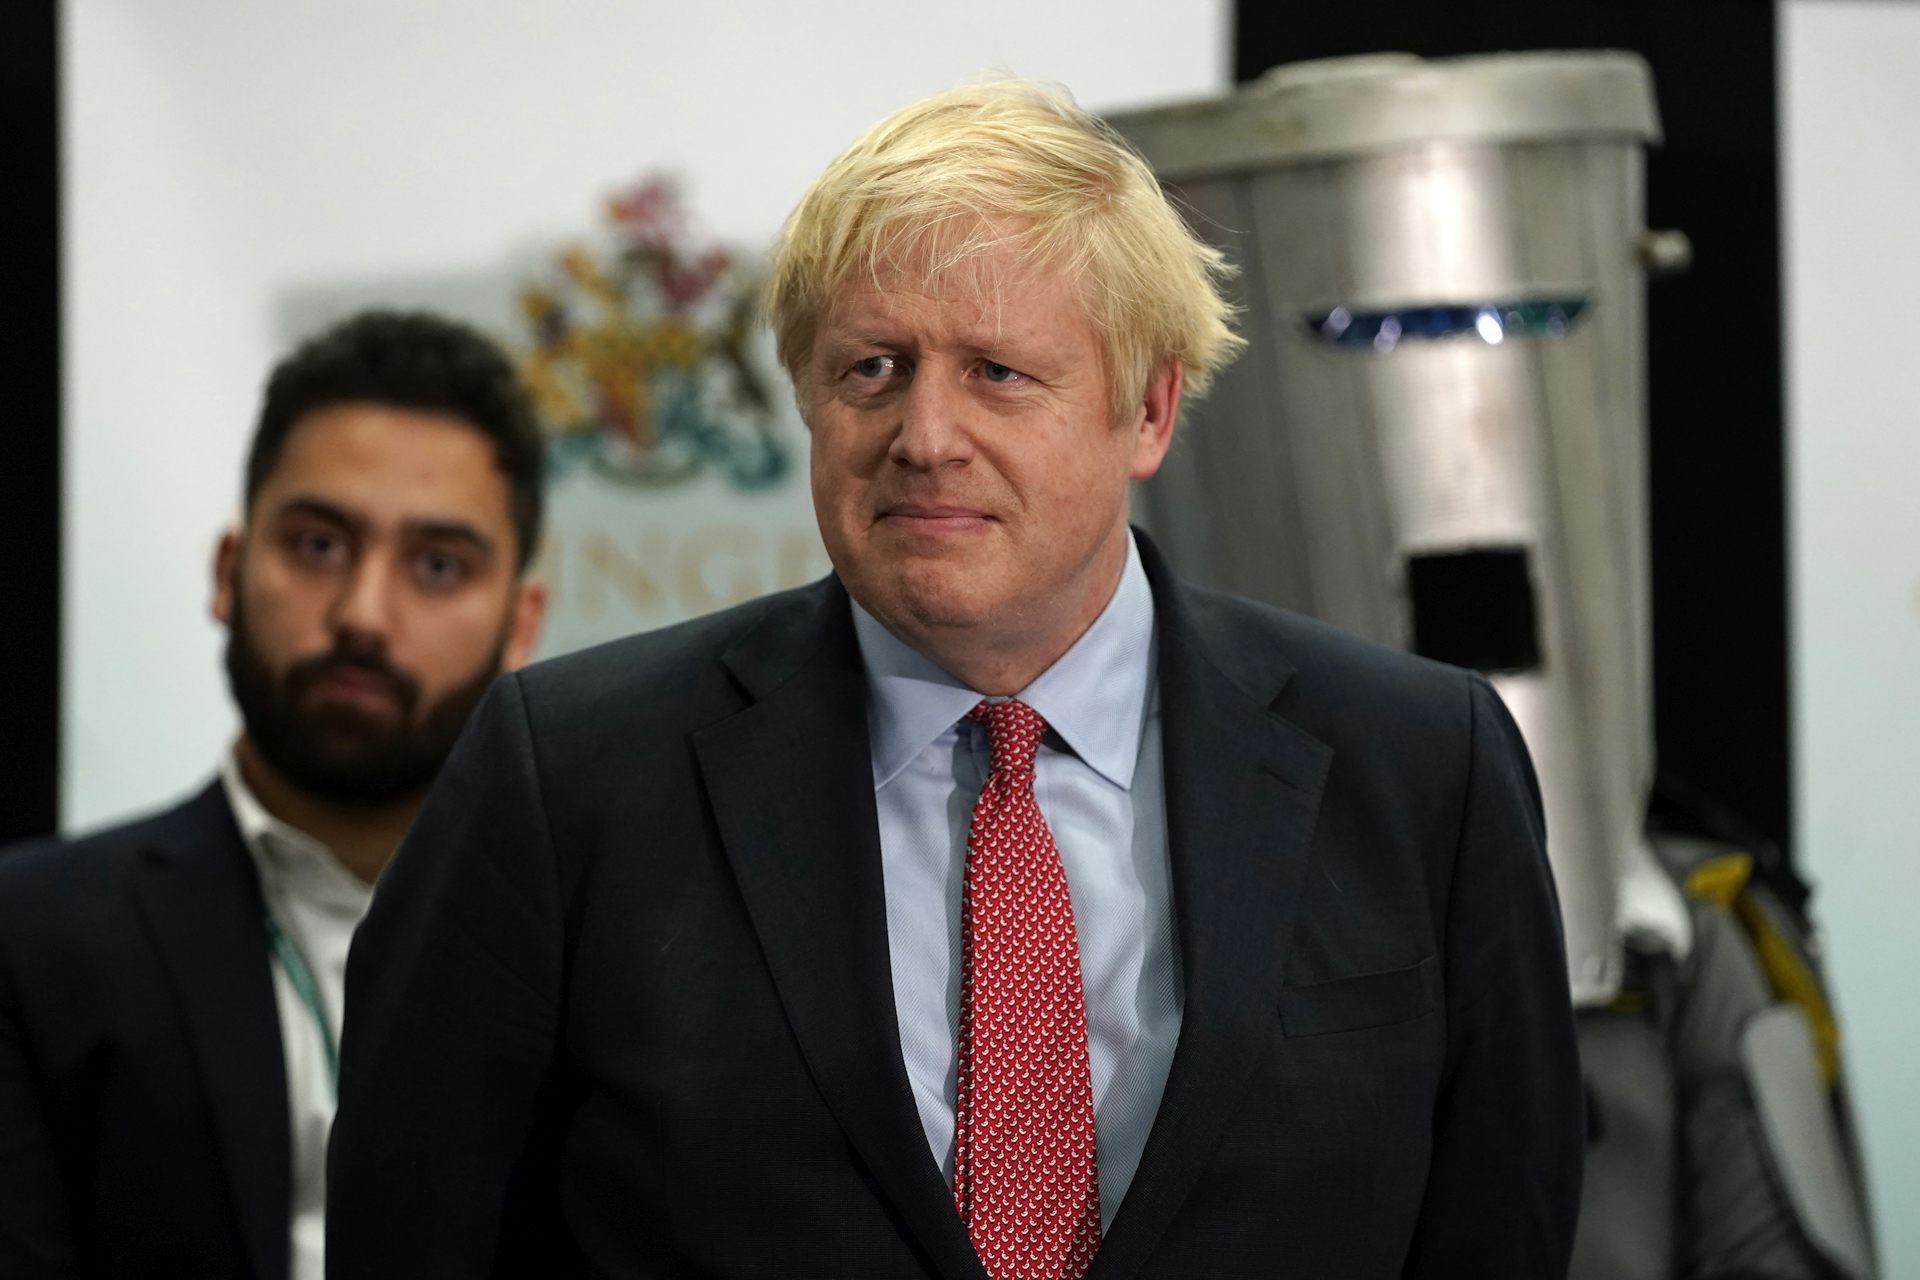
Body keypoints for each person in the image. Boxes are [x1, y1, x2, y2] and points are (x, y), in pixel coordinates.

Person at [327, 82, 1583, 1279]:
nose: (926, 437)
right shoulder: (566, 778)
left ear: (1148, 411)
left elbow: (1499, 1231)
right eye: (872, 368)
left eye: (997, 370)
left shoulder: (1425, 767)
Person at [0, 310, 549, 1280]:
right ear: (228, 569)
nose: (362, 615)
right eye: (319, 545)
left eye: (437, 565)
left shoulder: (601, 955)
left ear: (521, 625)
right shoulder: (28, 937)